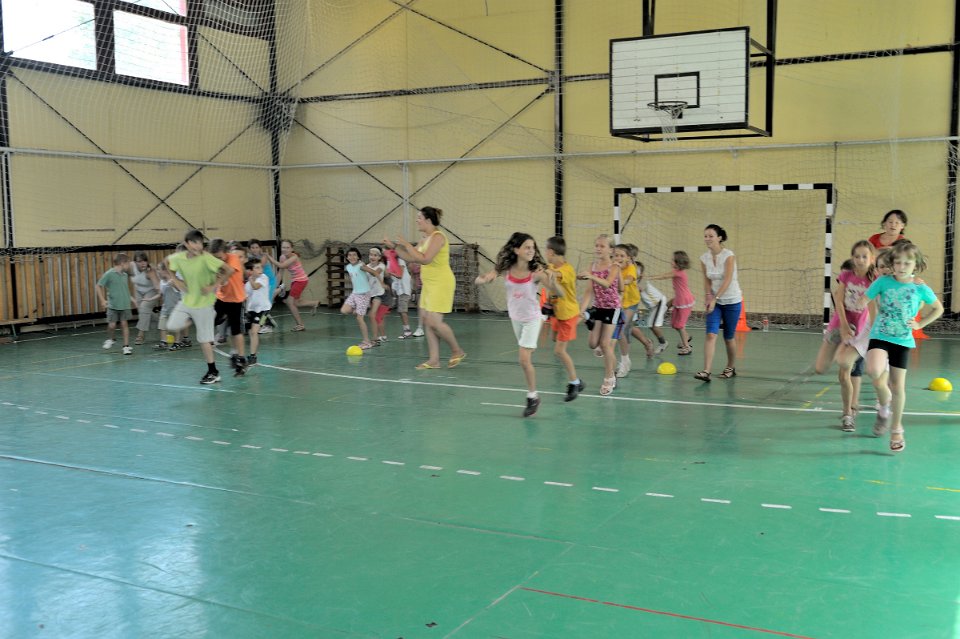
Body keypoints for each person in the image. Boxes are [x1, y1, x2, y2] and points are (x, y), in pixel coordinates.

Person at [864, 241, 943, 452]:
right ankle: (885, 403)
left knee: (898, 386)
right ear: (892, 264)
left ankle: (896, 428)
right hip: (880, 335)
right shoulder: (883, 281)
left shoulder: (919, 287)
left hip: (902, 340)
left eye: (907, 263)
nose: (901, 267)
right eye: (897, 262)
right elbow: (865, 298)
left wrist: (920, 324)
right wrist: (855, 305)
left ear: (915, 265)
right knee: (874, 371)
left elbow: (938, 309)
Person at [476, 232, 559, 417]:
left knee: (523, 359)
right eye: (527, 247)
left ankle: (532, 396)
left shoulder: (536, 272)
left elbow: (556, 290)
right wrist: (483, 279)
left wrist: (552, 281)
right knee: (527, 353)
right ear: (516, 250)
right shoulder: (506, 269)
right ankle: (533, 340)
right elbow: (486, 276)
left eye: (533, 247)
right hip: (515, 318)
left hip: (531, 318)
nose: (531, 250)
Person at [386, 206, 466, 370]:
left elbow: (425, 259)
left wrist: (407, 244)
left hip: (441, 283)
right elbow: (410, 257)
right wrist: (394, 247)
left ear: (428, 220)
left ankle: (457, 350)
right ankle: (434, 360)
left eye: (419, 218)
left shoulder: (438, 237)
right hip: (429, 284)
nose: (417, 220)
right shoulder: (425, 239)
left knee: (434, 322)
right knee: (427, 322)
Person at [815, 241, 876, 432]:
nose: (860, 260)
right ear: (852, 258)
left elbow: (896, 275)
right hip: (840, 322)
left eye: (864, 256)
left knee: (844, 371)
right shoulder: (846, 276)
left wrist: (914, 278)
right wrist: (842, 325)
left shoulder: (875, 279)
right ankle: (842, 352)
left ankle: (848, 413)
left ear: (871, 259)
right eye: (857, 256)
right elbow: (839, 301)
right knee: (820, 368)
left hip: (859, 328)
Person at [164, 230, 235, 385]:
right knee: (171, 325)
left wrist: (213, 286)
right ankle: (191, 319)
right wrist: (175, 279)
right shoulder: (179, 257)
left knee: (204, 340)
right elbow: (166, 262)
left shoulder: (207, 258)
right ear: (186, 244)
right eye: (194, 243)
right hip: (187, 302)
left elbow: (229, 270)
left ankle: (213, 372)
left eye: (200, 243)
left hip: (204, 305)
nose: (197, 246)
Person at [695, 224, 742, 382]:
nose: (707, 239)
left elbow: (728, 279)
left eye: (711, 236)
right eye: (705, 236)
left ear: (719, 238)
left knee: (728, 337)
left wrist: (715, 299)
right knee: (710, 334)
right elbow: (707, 279)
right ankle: (706, 371)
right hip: (715, 301)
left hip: (732, 300)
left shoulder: (729, 255)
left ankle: (730, 367)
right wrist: (709, 296)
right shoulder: (704, 258)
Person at [579, 234, 621, 395]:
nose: (598, 248)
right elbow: (589, 291)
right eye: (596, 245)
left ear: (611, 250)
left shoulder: (614, 267)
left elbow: (607, 284)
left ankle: (609, 378)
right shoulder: (592, 266)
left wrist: (591, 276)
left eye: (602, 246)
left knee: (605, 344)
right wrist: (581, 310)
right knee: (592, 343)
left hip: (612, 308)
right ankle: (612, 361)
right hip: (598, 307)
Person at [544, 236, 585, 401]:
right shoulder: (551, 266)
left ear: (551, 252)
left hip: (568, 314)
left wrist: (543, 270)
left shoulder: (567, 270)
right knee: (554, 339)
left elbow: (556, 275)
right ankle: (586, 316)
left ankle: (575, 382)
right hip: (556, 312)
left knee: (559, 351)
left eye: (546, 250)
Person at [210, 239, 248, 376]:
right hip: (222, 297)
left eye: (220, 257)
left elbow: (228, 273)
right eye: (215, 257)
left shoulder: (233, 259)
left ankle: (241, 358)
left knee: (235, 330)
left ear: (226, 252)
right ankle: (216, 335)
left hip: (236, 299)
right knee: (211, 319)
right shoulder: (214, 261)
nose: (218, 260)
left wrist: (217, 278)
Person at [612, 243, 649, 378]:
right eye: (616, 255)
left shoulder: (631, 268)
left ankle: (625, 361)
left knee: (620, 330)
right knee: (619, 332)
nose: (619, 258)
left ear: (628, 258)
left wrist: (618, 280)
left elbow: (628, 280)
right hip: (619, 303)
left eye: (622, 256)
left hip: (631, 303)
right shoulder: (612, 268)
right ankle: (624, 359)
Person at [647, 250, 695, 355]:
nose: (671, 261)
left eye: (673, 260)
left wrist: (649, 278)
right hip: (678, 300)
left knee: (680, 326)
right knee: (675, 324)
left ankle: (687, 347)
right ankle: (686, 337)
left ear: (678, 262)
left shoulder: (678, 273)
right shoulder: (677, 271)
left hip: (684, 302)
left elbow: (664, 276)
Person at [96, 253, 137, 355]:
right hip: (113, 305)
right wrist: (102, 300)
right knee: (112, 325)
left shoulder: (125, 275)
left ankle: (126, 346)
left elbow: (125, 290)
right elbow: (98, 286)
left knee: (124, 324)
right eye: (128, 263)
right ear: (122, 263)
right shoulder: (109, 274)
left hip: (124, 305)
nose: (129, 265)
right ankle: (111, 339)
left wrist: (133, 300)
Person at [341, 246, 379, 349]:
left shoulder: (361, 265)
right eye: (350, 255)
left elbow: (374, 272)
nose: (352, 257)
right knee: (344, 310)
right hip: (355, 293)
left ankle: (367, 342)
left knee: (359, 318)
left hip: (364, 294)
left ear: (358, 257)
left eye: (354, 255)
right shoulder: (348, 267)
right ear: (347, 257)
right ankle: (359, 309)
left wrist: (378, 277)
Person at [267, 239, 308, 331]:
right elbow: (280, 273)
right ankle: (314, 303)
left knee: (290, 302)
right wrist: (273, 287)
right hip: (295, 281)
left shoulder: (294, 257)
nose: (285, 249)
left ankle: (300, 325)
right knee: (296, 303)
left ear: (292, 249)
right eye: (283, 247)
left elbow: (281, 266)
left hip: (301, 280)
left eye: (287, 247)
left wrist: (269, 257)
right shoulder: (282, 257)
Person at [635, 257, 669, 355]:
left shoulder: (643, 281)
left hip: (659, 303)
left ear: (641, 273)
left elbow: (638, 289)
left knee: (654, 325)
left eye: (636, 270)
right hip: (653, 307)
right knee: (650, 325)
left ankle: (663, 343)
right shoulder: (634, 281)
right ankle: (661, 342)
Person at [243, 257, 271, 365]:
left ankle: (253, 356)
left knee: (254, 331)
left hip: (264, 309)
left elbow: (255, 287)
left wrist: (250, 278)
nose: (260, 270)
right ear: (251, 270)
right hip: (252, 310)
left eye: (260, 267)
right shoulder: (247, 285)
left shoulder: (263, 278)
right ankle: (253, 354)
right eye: (257, 268)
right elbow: (246, 297)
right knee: (251, 332)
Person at [130, 252, 160, 346]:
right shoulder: (131, 266)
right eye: (139, 261)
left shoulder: (150, 271)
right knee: (142, 311)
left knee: (144, 308)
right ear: (135, 262)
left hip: (151, 291)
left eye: (145, 261)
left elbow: (158, 287)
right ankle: (159, 320)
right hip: (138, 290)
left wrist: (160, 294)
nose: (143, 263)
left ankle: (140, 335)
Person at [247, 239, 277, 333]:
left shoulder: (263, 256)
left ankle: (267, 325)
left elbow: (259, 265)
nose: (255, 249)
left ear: (260, 248)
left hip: (268, 281)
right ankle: (265, 322)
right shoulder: (249, 257)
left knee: (265, 304)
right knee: (259, 303)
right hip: (259, 281)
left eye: (257, 247)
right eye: (252, 247)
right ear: (249, 249)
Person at [153, 262, 185, 350]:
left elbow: (180, 290)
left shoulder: (174, 280)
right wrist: (151, 299)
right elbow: (161, 294)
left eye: (159, 270)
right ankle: (163, 341)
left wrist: (174, 284)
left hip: (175, 307)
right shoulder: (162, 282)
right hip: (165, 307)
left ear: (165, 270)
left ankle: (177, 342)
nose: (158, 272)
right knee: (162, 325)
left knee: (176, 326)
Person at [366, 247, 388, 343]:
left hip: (379, 295)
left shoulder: (381, 266)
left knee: (372, 315)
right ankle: (383, 336)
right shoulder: (367, 266)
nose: (372, 257)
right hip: (371, 295)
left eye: (375, 255)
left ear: (379, 257)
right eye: (371, 255)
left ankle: (375, 338)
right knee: (378, 318)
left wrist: (364, 268)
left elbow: (375, 273)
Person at [390, 255, 414, 339]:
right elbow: (395, 279)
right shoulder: (392, 262)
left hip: (404, 290)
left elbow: (400, 275)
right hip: (400, 291)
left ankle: (407, 331)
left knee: (402, 311)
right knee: (400, 311)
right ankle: (406, 330)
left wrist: (390, 272)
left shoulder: (400, 260)